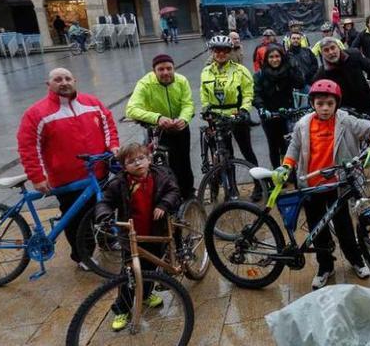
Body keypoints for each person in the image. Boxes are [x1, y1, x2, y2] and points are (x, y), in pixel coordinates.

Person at [268, 80, 370, 288]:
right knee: (317, 228)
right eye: (320, 103)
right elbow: (294, 148)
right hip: (310, 185)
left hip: (336, 184)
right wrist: (286, 166)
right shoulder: (303, 124)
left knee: (344, 226)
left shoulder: (346, 121)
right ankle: (325, 266)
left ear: (336, 104)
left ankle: (356, 260)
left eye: (329, 104)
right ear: (312, 103)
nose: (324, 108)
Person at [17, 68, 120, 269]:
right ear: (49, 85)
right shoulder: (36, 113)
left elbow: (109, 126)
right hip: (66, 178)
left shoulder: (92, 103)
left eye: (67, 78)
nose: (63, 82)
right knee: (76, 219)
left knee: (103, 209)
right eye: (57, 79)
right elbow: (28, 146)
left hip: (97, 172)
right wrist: (37, 176)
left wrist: (113, 147)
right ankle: (82, 256)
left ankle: (108, 241)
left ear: (75, 80)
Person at [94, 142, 180, 332]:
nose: (137, 164)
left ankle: (146, 294)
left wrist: (164, 205)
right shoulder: (119, 184)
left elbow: (174, 191)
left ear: (149, 159)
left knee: (150, 268)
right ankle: (122, 309)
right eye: (131, 161)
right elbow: (105, 202)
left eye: (141, 158)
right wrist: (104, 216)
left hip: (155, 233)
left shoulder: (161, 176)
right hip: (131, 237)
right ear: (124, 166)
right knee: (129, 275)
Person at [125, 54, 196, 199]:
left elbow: (188, 104)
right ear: (154, 71)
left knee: (184, 161)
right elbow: (131, 109)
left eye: (169, 68)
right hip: (158, 130)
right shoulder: (145, 84)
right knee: (162, 167)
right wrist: (157, 118)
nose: (165, 73)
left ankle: (188, 193)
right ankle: (167, 196)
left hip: (180, 128)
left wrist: (184, 118)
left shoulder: (181, 80)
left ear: (174, 68)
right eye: (161, 69)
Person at [200, 35, 259, 168]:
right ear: (212, 52)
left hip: (236, 115)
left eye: (225, 50)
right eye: (217, 50)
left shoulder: (240, 70)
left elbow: (248, 93)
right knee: (225, 155)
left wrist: (244, 110)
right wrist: (205, 108)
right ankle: (231, 187)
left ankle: (259, 182)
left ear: (230, 51)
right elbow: (204, 94)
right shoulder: (206, 72)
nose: (221, 53)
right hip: (217, 118)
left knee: (247, 151)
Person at [253, 44, 305, 168]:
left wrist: (294, 68)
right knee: (273, 146)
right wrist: (261, 108)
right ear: (266, 59)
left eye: (277, 56)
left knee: (287, 145)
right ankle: (276, 171)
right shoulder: (260, 75)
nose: (274, 60)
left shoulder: (288, 71)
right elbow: (256, 94)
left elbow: (300, 84)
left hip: (287, 113)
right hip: (269, 115)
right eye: (271, 57)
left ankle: (290, 172)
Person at [315, 37, 370, 116]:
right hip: (344, 111)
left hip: (366, 103)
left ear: (338, 47)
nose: (331, 52)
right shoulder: (322, 73)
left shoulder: (354, 55)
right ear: (322, 54)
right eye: (326, 50)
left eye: (333, 48)